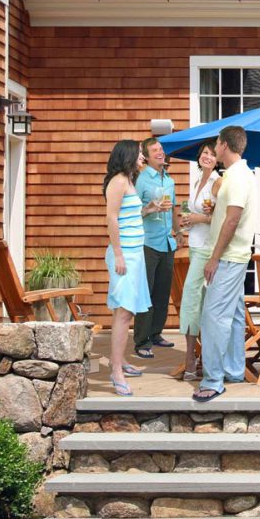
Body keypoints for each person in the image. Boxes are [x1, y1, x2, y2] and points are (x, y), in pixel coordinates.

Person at [193, 125, 256, 402]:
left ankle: (213, 380)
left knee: (213, 317)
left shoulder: (238, 177)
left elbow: (232, 220)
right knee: (234, 314)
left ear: (224, 145)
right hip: (235, 256)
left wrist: (214, 257)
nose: (214, 148)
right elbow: (226, 215)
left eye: (217, 143)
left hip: (228, 257)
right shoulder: (235, 175)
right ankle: (233, 370)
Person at [103, 139, 151, 396]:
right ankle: (116, 372)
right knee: (124, 312)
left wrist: (147, 210)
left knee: (125, 311)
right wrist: (119, 254)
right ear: (128, 155)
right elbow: (111, 218)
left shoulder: (130, 180)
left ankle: (119, 360)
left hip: (135, 254)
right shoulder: (118, 181)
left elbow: (128, 216)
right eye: (140, 153)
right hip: (124, 256)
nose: (142, 157)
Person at [133, 137, 179, 360]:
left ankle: (156, 333)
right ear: (147, 156)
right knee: (146, 293)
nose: (160, 152)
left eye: (161, 149)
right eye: (155, 150)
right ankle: (142, 341)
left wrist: (179, 232)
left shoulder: (169, 180)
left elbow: (173, 208)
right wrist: (149, 209)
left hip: (167, 243)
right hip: (148, 243)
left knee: (162, 292)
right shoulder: (141, 180)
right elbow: (132, 212)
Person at [178, 141, 221, 380]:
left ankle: (190, 359)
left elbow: (222, 217)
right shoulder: (196, 181)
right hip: (194, 246)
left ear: (217, 160)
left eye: (212, 154)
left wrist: (200, 218)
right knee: (200, 302)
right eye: (205, 153)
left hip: (207, 248)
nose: (208, 157)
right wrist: (187, 221)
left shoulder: (217, 182)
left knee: (190, 299)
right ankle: (202, 358)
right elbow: (192, 213)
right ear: (199, 156)